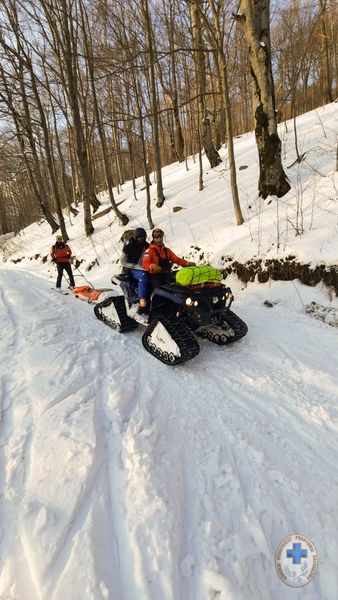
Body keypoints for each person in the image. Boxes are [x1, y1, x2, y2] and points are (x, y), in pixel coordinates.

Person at [121, 227, 150, 310]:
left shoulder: (147, 246)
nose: (142, 239)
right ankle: (142, 299)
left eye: (144, 237)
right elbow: (123, 262)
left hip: (146, 267)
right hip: (131, 269)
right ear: (135, 237)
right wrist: (139, 267)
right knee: (143, 276)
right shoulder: (128, 247)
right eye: (140, 238)